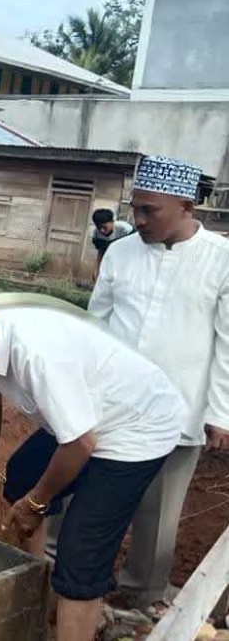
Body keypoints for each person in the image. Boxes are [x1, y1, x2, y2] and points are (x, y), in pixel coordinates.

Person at [0, 262, 184, 641]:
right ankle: (43, 603)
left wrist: (36, 504)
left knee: (80, 555)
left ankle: (71, 608)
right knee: (22, 475)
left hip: (136, 427)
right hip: (86, 416)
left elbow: (81, 444)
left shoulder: (37, 351)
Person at [87, 155, 229, 618]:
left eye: (151, 211)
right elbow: (96, 324)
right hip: (115, 405)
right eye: (136, 208)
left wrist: (220, 412)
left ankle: (143, 593)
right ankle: (74, 577)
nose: (139, 220)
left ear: (186, 205)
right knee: (92, 493)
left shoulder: (221, 259)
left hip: (182, 406)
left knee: (161, 509)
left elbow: (228, 343)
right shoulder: (121, 252)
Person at [90, 208, 134, 277]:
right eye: (99, 227)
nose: (102, 230)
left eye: (104, 227)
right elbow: (101, 251)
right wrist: (97, 269)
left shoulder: (126, 229)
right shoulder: (96, 233)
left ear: (112, 222)